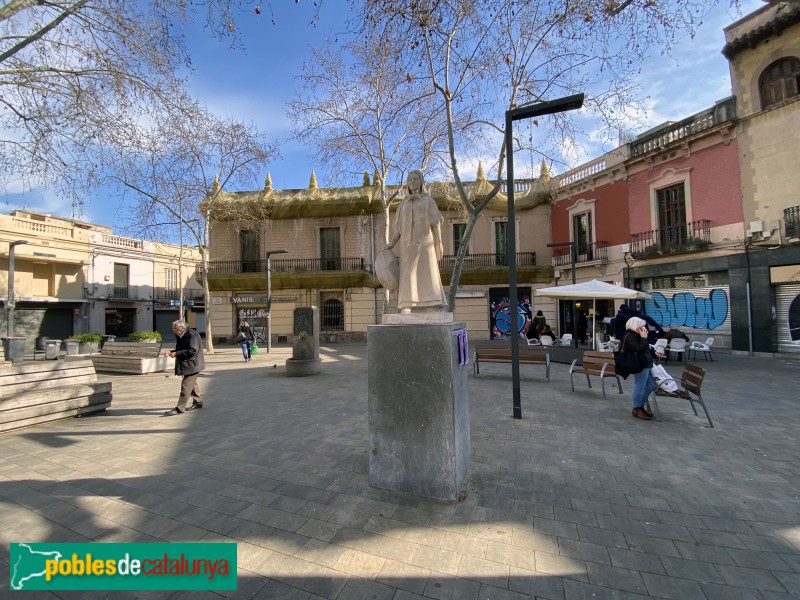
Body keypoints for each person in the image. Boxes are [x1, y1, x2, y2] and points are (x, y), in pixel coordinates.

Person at [385, 170, 446, 314]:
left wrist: (439, 242)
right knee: (408, 274)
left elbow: (436, 223)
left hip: (426, 244)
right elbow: (398, 228)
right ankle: (407, 303)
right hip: (407, 246)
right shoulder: (402, 204)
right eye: (409, 179)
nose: (412, 182)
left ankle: (432, 303)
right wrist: (392, 243)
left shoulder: (428, 201)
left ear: (421, 181)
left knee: (428, 272)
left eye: (415, 179)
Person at [162, 320, 205, 416]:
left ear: (182, 328)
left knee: (186, 385)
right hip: (187, 364)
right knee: (192, 384)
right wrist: (171, 351)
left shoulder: (193, 335)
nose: (174, 330)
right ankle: (198, 402)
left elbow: (193, 350)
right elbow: (180, 349)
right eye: (173, 328)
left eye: (175, 328)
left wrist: (176, 353)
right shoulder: (180, 335)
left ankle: (179, 408)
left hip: (193, 364)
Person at [620, 316, 657, 420]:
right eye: (642, 326)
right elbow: (640, 349)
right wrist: (644, 338)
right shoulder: (630, 336)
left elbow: (646, 348)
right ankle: (637, 407)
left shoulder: (637, 335)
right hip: (640, 363)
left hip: (646, 362)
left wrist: (654, 353)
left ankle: (639, 405)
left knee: (651, 385)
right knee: (640, 385)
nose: (644, 328)